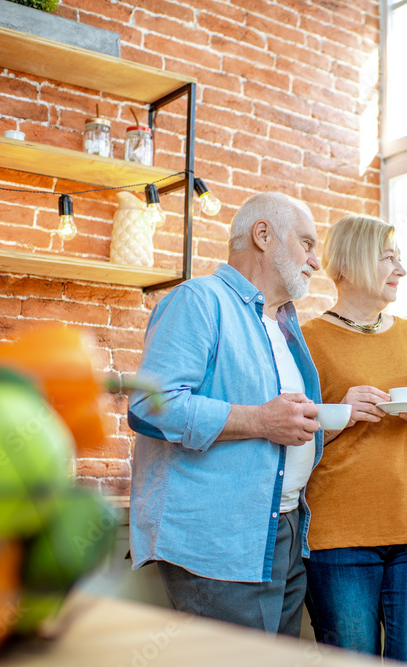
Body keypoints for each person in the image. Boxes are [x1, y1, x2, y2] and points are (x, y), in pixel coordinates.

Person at [127, 191, 323, 636]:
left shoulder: (283, 322)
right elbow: (148, 407)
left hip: (286, 530)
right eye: (307, 244)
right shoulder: (198, 300)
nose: (316, 262)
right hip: (220, 541)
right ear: (263, 235)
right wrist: (259, 420)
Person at [300, 214, 407, 666]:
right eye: (388, 259)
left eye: (400, 259)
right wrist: (340, 414)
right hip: (339, 536)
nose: (401, 270)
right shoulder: (307, 340)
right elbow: (289, 439)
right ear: (347, 264)